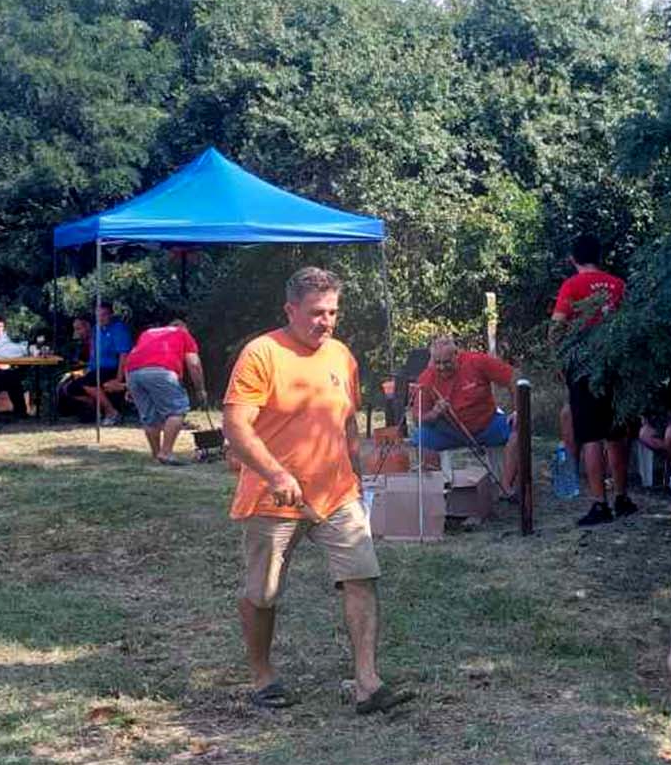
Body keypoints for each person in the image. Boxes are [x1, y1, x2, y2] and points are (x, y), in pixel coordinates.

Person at [221, 266, 412, 715]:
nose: (325, 322)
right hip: (272, 497)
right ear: (290, 310)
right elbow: (235, 425)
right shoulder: (262, 353)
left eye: (332, 312)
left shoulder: (341, 355)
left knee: (362, 576)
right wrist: (276, 475)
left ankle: (367, 683)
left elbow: (346, 421)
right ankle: (263, 677)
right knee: (263, 593)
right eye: (316, 313)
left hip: (337, 494)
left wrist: (356, 472)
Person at [549, 234, 635, 526]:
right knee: (616, 434)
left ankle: (600, 504)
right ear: (600, 256)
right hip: (614, 366)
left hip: (584, 368)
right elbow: (629, 326)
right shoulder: (618, 285)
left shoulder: (572, 286)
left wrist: (560, 361)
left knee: (591, 437)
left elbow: (557, 327)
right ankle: (622, 497)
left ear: (572, 259)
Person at [411, 336, 521, 492]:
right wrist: (435, 413)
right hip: (449, 431)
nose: (442, 367)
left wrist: (517, 411)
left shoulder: (477, 361)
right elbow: (418, 418)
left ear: (457, 354)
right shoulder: (426, 378)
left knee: (519, 431)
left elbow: (513, 379)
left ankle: (506, 487)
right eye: (437, 363)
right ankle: (437, 490)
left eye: (447, 362)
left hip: (487, 424)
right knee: (421, 438)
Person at [124, 318, 206, 466]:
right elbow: (194, 364)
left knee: (150, 416)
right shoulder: (182, 333)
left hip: (132, 372)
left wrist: (129, 387)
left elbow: (131, 357)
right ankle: (166, 453)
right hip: (161, 371)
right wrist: (200, 389)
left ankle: (157, 455)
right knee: (177, 411)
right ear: (183, 328)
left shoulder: (148, 333)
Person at [84, 301, 131, 426]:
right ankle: (98, 411)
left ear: (111, 315)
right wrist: (89, 368)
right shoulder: (96, 329)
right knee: (73, 386)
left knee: (88, 383)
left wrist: (119, 378)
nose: (101, 318)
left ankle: (112, 412)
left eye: (104, 315)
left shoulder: (118, 329)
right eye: (98, 315)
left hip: (113, 368)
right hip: (97, 369)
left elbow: (124, 355)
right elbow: (93, 352)